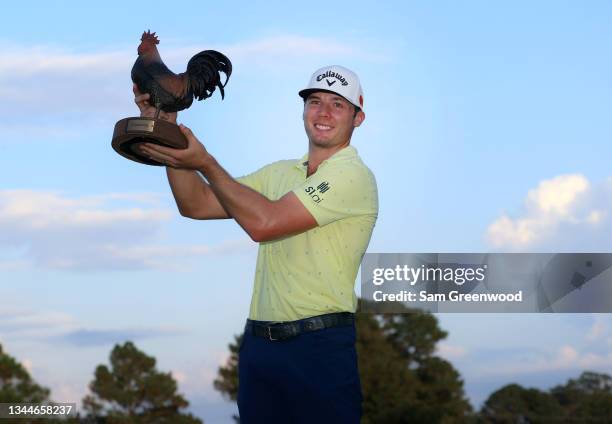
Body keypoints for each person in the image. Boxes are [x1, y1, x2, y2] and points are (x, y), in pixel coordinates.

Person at [134, 65, 378, 423]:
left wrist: (206, 162)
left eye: (338, 105)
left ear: (358, 118)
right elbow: (197, 203)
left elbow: (265, 223)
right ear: (303, 110)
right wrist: (168, 128)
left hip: (319, 346)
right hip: (259, 347)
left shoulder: (353, 175)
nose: (323, 112)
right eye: (315, 101)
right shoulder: (279, 173)